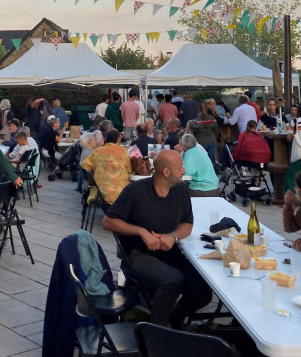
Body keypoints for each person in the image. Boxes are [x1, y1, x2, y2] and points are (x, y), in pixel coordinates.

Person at [103, 150, 212, 328]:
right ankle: (158, 329)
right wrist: (141, 232)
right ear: (166, 172)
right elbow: (108, 222)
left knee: (202, 291)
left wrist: (173, 236)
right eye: (180, 167)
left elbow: (187, 224)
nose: (184, 170)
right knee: (173, 280)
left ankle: (175, 319)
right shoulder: (136, 191)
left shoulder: (181, 190)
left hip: (170, 253)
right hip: (138, 254)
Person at [81, 128, 131, 205]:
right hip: (120, 190)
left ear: (106, 139)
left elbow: (85, 165)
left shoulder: (97, 151)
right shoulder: (123, 151)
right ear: (118, 139)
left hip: (100, 190)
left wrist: (96, 171)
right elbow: (130, 169)